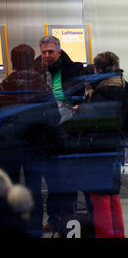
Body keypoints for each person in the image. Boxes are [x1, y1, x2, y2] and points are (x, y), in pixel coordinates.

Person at [0, 44, 57, 234]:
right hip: (36, 147)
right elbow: (54, 117)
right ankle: (34, 229)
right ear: (33, 60)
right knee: (34, 188)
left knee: (10, 188)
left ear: (12, 62)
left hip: (9, 148)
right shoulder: (42, 86)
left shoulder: (3, 86)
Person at [76, 51, 127, 238]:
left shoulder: (101, 93)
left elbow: (88, 121)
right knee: (112, 196)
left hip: (99, 147)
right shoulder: (123, 87)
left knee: (99, 198)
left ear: (98, 70)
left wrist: (81, 109)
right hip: (116, 145)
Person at [35, 36, 84, 231]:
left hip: (67, 131)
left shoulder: (73, 69)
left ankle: (67, 220)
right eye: (44, 52)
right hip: (44, 133)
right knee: (51, 178)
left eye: (51, 52)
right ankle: (55, 218)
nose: (47, 55)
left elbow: (81, 95)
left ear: (59, 51)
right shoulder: (37, 70)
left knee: (66, 178)